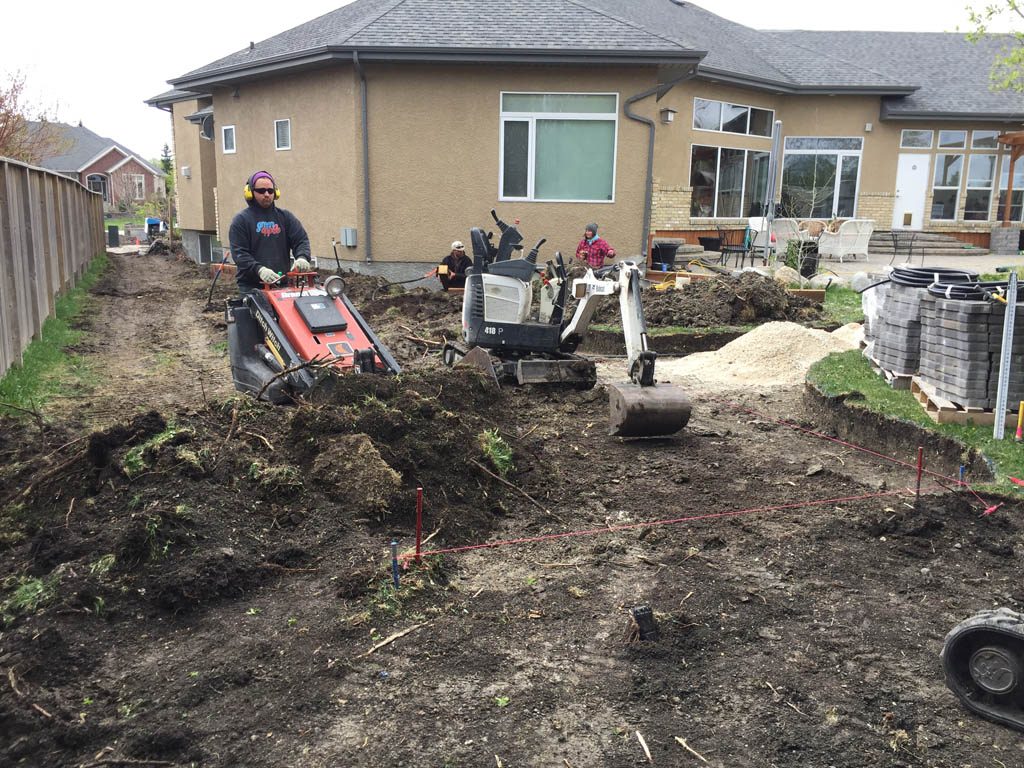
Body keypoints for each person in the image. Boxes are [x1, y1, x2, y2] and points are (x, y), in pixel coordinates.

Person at [229, 170, 312, 293]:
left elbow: (300, 240)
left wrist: (302, 257)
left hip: (283, 285)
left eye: (270, 190)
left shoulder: (285, 217)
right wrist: (259, 270)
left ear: (276, 192)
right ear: (250, 193)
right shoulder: (241, 221)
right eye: (261, 191)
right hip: (252, 287)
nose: (267, 194)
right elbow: (240, 254)